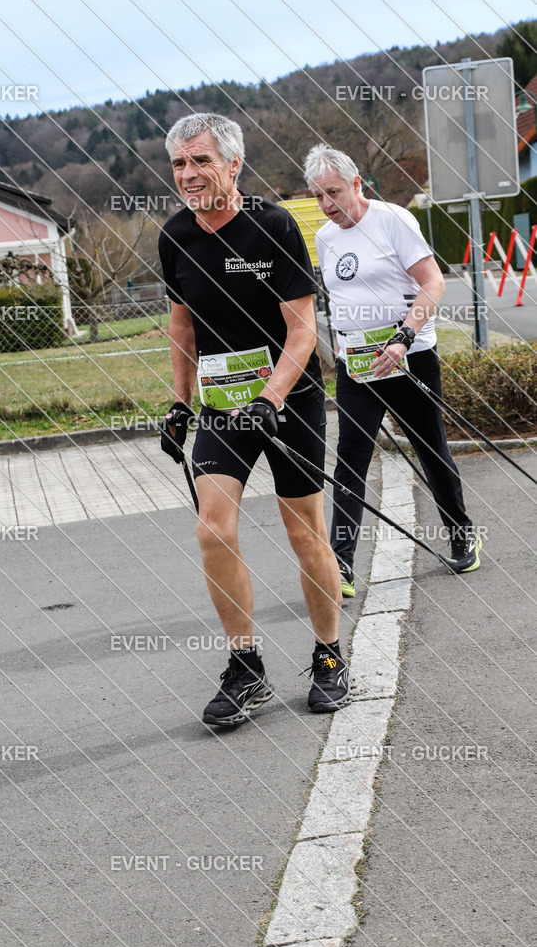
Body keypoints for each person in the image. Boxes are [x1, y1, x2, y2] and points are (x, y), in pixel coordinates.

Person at [157, 113, 349, 726]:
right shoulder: (175, 236)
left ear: (233, 164)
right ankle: (247, 669)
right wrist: (181, 403)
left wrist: (270, 398)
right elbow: (182, 326)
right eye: (179, 164)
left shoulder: (273, 226)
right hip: (221, 405)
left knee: (303, 533)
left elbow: (301, 331)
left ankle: (328, 655)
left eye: (200, 161)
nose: (188, 175)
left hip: (288, 400)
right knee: (212, 530)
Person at [304, 143, 481, 598]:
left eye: (334, 193)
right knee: (350, 461)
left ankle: (460, 535)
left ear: (357, 184)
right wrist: (341, 349)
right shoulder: (325, 237)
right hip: (358, 369)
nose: (327, 205)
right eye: (318, 196)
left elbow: (433, 281)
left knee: (431, 450)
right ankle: (340, 565)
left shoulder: (393, 220)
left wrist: (403, 337)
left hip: (409, 357)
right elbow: (337, 301)